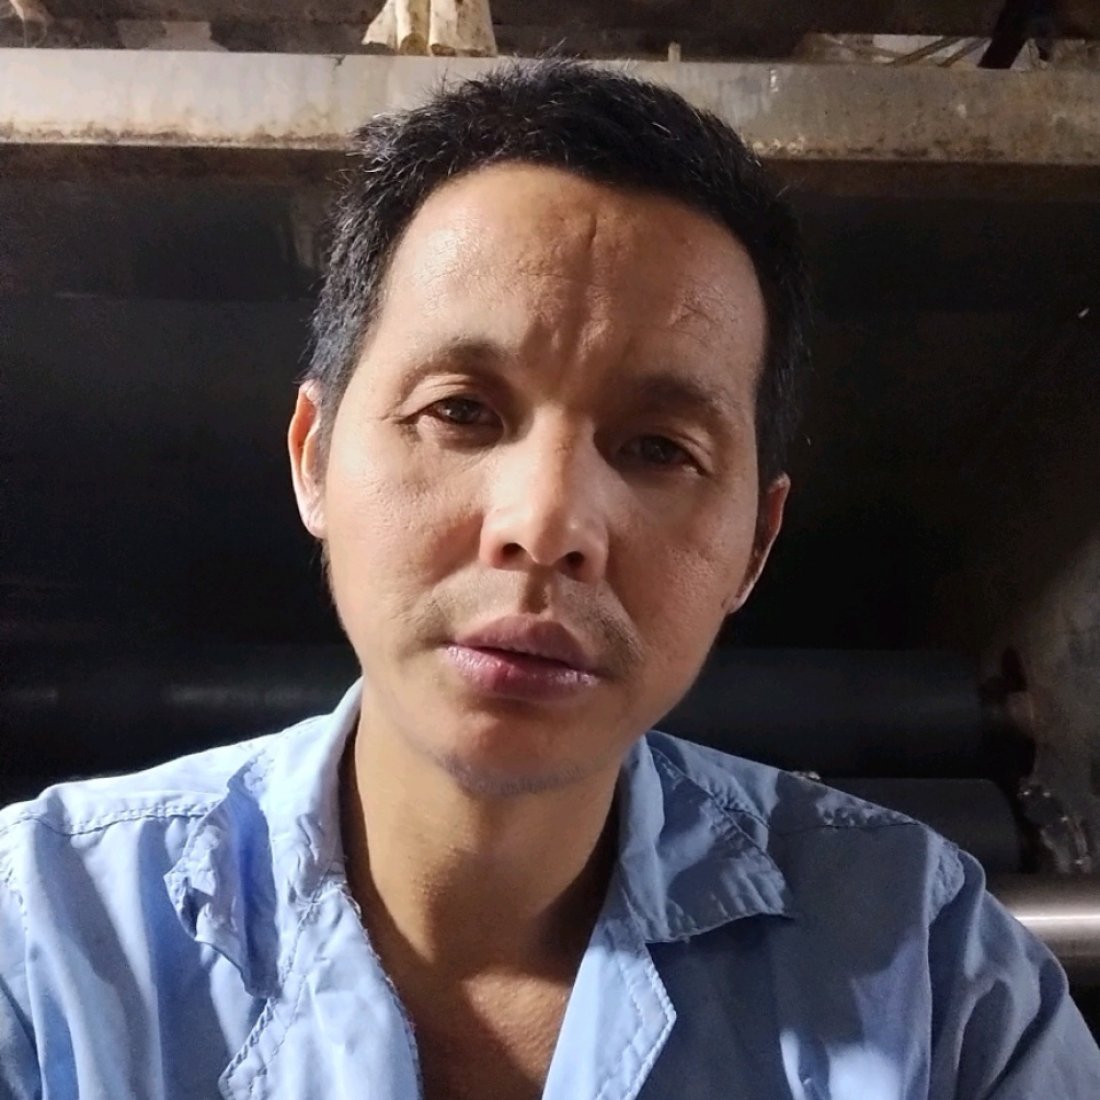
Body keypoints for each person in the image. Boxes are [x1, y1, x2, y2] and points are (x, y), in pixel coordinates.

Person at [1, 58, 1097, 1100]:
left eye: (659, 448)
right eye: (460, 411)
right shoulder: (40, 945)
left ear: (755, 546)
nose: (547, 525)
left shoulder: (937, 980)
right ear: (314, 457)